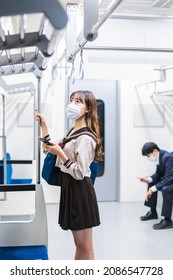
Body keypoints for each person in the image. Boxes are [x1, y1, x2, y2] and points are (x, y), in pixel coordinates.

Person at [35, 90, 103, 259]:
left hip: (80, 190)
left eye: (78, 102)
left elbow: (80, 173)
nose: (72, 104)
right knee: (79, 245)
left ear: (87, 109)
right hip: (70, 188)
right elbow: (54, 147)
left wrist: (61, 154)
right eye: (72, 100)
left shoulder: (86, 137)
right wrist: (44, 126)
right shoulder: (72, 131)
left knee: (85, 247)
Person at [139, 142, 173, 230]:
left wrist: (153, 189)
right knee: (151, 183)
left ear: (154, 151)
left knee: (166, 189)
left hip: (171, 180)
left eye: (148, 155)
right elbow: (158, 174)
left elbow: (169, 178)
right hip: (170, 179)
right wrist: (149, 179)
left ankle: (167, 220)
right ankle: (153, 212)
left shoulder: (167, 157)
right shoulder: (159, 157)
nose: (148, 158)